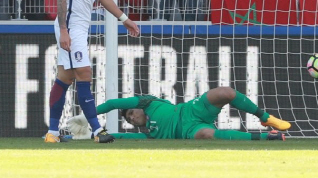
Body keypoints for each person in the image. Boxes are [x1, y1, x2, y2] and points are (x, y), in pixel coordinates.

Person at [44, 0, 141, 144]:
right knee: (85, 73)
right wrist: (63, 30)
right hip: (70, 27)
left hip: (80, 27)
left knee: (65, 77)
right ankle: (97, 131)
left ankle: (52, 133)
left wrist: (124, 19)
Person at [67, 86, 290, 141]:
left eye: (132, 113)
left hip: (192, 109)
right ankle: (266, 136)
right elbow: (118, 136)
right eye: (129, 119)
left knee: (226, 92)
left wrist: (88, 115)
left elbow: (115, 102)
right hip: (190, 130)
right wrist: (88, 135)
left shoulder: (149, 102)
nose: (132, 117)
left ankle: (266, 118)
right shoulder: (149, 136)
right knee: (208, 136)